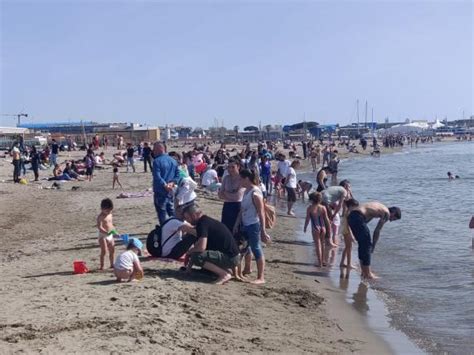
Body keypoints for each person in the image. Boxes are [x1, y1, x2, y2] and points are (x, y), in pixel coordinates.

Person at [182, 205, 241, 285]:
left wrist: (188, 252)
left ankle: (224, 275)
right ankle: (226, 271)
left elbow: (201, 248)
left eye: (187, 218)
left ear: (194, 215)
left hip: (230, 258)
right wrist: (188, 268)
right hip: (234, 257)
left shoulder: (202, 224)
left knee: (197, 257)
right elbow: (199, 246)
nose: (187, 221)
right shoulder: (207, 221)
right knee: (197, 255)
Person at [233, 169, 271, 284]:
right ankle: (246, 269)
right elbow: (242, 210)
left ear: (246, 179)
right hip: (245, 224)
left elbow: (261, 212)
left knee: (256, 248)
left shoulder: (255, 192)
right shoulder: (246, 191)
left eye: (241, 178)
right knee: (245, 248)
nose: (239, 181)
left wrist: (263, 231)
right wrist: (236, 224)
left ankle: (261, 277)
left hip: (254, 224)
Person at [347, 202, 401, 279]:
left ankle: (364, 272)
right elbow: (377, 230)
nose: (391, 220)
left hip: (351, 217)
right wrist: (373, 246)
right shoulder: (386, 213)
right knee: (367, 245)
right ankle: (368, 273)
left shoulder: (378, 208)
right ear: (393, 212)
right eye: (393, 218)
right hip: (357, 216)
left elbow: (365, 221)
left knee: (363, 245)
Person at [152, 142, 180, 225]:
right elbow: (178, 175)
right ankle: (176, 228)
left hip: (161, 191)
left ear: (160, 149)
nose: (153, 151)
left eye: (154, 149)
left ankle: (165, 231)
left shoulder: (157, 161)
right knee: (171, 211)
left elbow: (157, 176)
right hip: (170, 190)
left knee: (162, 213)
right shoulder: (173, 160)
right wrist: (172, 183)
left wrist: (165, 185)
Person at [304, 192, 330, 267]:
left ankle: (319, 263)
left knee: (317, 245)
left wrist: (305, 227)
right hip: (323, 228)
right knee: (323, 244)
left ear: (311, 200)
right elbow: (326, 219)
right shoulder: (323, 207)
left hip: (315, 228)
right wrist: (329, 228)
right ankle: (323, 260)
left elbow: (307, 219)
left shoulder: (310, 208)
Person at [218, 158, 244, 232]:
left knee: (236, 230)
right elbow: (220, 195)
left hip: (237, 206)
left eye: (233, 167)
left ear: (238, 167)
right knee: (225, 229)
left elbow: (237, 196)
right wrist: (232, 193)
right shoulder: (226, 178)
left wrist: (226, 193)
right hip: (227, 206)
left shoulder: (242, 179)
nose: (230, 169)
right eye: (229, 167)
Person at [97, 198, 117, 270]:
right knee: (104, 251)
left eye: (110, 210)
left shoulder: (110, 215)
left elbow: (111, 225)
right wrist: (106, 232)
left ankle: (112, 264)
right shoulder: (100, 217)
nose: (108, 212)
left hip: (110, 235)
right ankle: (102, 265)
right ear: (102, 209)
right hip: (103, 236)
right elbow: (99, 227)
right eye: (107, 210)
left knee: (112, 250)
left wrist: (115, 232)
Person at [340, 198, 359, 269]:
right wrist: (352, 235)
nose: (356, 208)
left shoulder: (347, 212)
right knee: (349, 248)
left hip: (345, 231)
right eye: (355, 207)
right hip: (347, 231)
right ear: (351, 206)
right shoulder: (349, 213)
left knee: (347, 247)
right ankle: (349, 264)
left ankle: (342, 262)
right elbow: (348, 226)